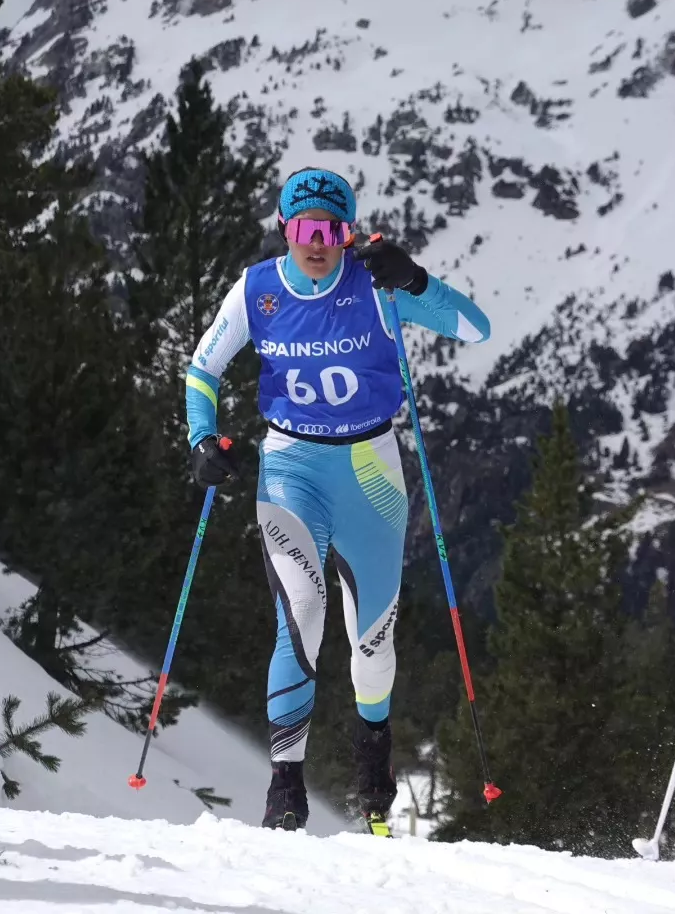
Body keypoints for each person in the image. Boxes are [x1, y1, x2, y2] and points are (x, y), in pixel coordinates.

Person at [184, 166, 491, 833]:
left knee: (372, 642)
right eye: (304, 229)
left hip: (370, 471)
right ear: (284, 229)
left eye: (330, 230)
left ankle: (372, 775)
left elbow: (476, 329)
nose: (316, 243)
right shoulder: (257, 290)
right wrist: (201, 438)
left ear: (348, 233)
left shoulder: (377, 285)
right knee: (301, 612)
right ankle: (285, 787)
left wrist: (416, 280)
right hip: (290, 467)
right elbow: (204, 366)